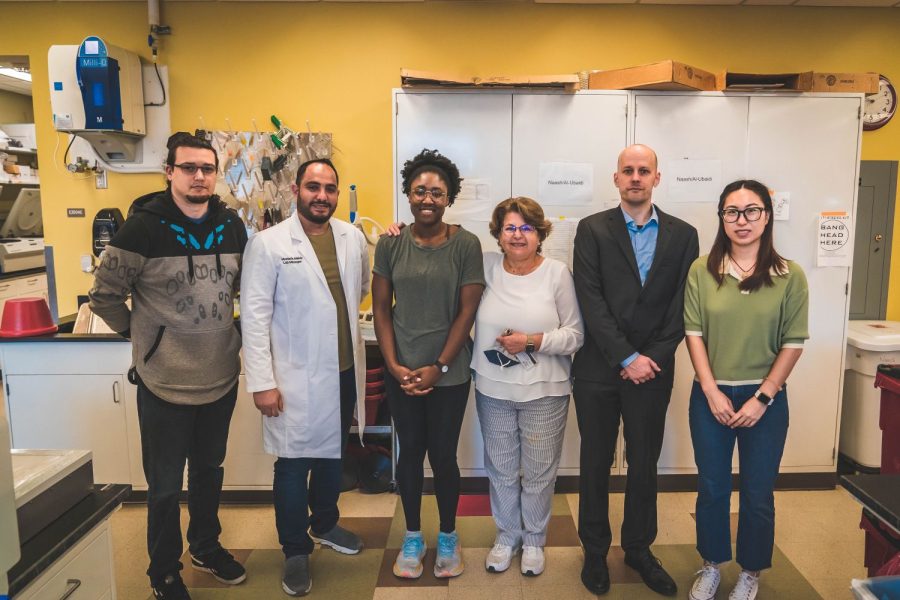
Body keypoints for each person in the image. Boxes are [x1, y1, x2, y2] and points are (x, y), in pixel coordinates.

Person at [89, 132, 248, 600]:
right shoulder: (142, 228)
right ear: (170, 172)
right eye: (189, 168)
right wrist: (142, 340)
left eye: (207, 168)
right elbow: (104, 296)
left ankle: (204, 545)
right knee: (162, 485)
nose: (199, 176)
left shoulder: (232, 226)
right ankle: (163, 570)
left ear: (215, 173)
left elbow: (246, 291)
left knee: (209, 469)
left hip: (220, 377)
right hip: (164, 383)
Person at [573, 144, 698, 597]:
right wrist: (627, 356)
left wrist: (653, 358)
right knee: (595, 462)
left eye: (644, 171)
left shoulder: (684, 235)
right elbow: (590, 299)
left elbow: (685, 303)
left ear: (657, 179)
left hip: (654, 369)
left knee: (644, 462)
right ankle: (594, 551)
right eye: (628, 170)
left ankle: (639, 549)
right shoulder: (592, 230)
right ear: (616, 178)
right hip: (598, 369)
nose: (636, 177)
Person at [240, 158, 369, 597]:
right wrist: (261, 381)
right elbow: (254, 319)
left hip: (343, 372)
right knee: (294, 465)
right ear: (295, 191)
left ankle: (326, 524)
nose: (322, 196)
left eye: (330, 188)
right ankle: (295, 549)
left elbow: (360, 289)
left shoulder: (353, 238)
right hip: (292, 377)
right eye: (313, 187)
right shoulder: (268, 244)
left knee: (333, 455)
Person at [684, 180, 808, 600]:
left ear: (767, 216)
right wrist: (710, 389)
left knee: (758, 493)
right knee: (713, 487)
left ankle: (751, 571)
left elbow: (793, 341)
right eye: (732, 212)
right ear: (721, 218)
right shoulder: (702, 269)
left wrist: (763, 397)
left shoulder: (789, 274)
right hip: (711, 395)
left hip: (766, 400)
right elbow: (693, 333)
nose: (742, 220)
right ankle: (712, 565)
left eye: (752, 210)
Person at [372, 148, 485, 580]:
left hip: (450, 373)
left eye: (437, 192)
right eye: (419, 190)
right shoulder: (391, 243)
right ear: (408, 193)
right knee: (409, 456)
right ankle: (414, 535)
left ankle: (450, 536)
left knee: (442, 455)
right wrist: (395, 366)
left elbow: (466, 313)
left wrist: (438, 366)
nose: (427, 199)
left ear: (449, 197)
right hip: (401, 370)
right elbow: (382, 309)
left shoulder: (466, 245)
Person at [472, 197, 584, 577]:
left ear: (539, 234)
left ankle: (534, 540)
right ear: (498, 234)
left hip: (545, 391)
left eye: (526, 228)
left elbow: (575, 335)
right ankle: (507, 537)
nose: (517, 235)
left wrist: (532, 341)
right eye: (510, 228)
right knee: (500, 468)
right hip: (493, 389)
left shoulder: (557, 273)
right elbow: (442, 248)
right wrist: (398, 233)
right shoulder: (485, 266)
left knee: (538, 472)